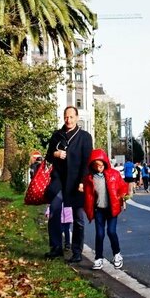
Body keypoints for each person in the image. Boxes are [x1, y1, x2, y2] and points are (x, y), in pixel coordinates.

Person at [45, 105, 94, 262]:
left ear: (77, 118)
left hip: (76, 181)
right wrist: (56, 153)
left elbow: (87, 161)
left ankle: (77, 252)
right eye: (66, 117)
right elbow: (48, 156)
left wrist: (82, 181)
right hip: (59, 180)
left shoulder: (85, 137)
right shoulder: (57, 135)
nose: (68, 120)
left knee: (78, 217)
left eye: (71, 117)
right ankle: (56, 247)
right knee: (54, 210)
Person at [80, 149, 129, 270]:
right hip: (99, 210)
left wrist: (123, 198)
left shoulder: (114, 174)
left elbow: (123, 187)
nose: (99, 168)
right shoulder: (89, 178)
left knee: (111, 232)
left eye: (101, 165)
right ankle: (98, 258)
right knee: (99, 234)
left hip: (112, 208)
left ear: (105, 163)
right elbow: (88, 194)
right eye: (96, 166)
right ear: (92, 165)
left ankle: (117, 254)